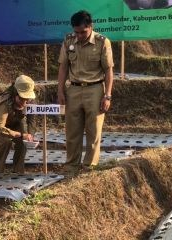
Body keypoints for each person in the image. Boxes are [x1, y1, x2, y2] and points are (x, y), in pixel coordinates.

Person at [57, 10, 114, 170]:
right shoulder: (69, 41)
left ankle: (90, 166)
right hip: (73, 90)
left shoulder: (102, 42)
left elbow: (109, 71)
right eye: (77, 32)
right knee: (72, 132)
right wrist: (60, 91)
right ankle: (71, 166)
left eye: (83, 32)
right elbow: (63, 67)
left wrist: (107, 96)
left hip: (95, 90)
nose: (80, 35)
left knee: (93, 131)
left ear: (91, 27)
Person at [0, 75, 36, 174]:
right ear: (15, 94)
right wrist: (20, 134)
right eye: (22, 99)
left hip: (14, 120)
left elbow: (31, 120)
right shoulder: (5, 102)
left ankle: (18, 170)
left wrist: (30, 135)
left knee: (24, 142)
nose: (24, 103)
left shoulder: (30, 100)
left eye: (27, 100)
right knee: (6, 141)